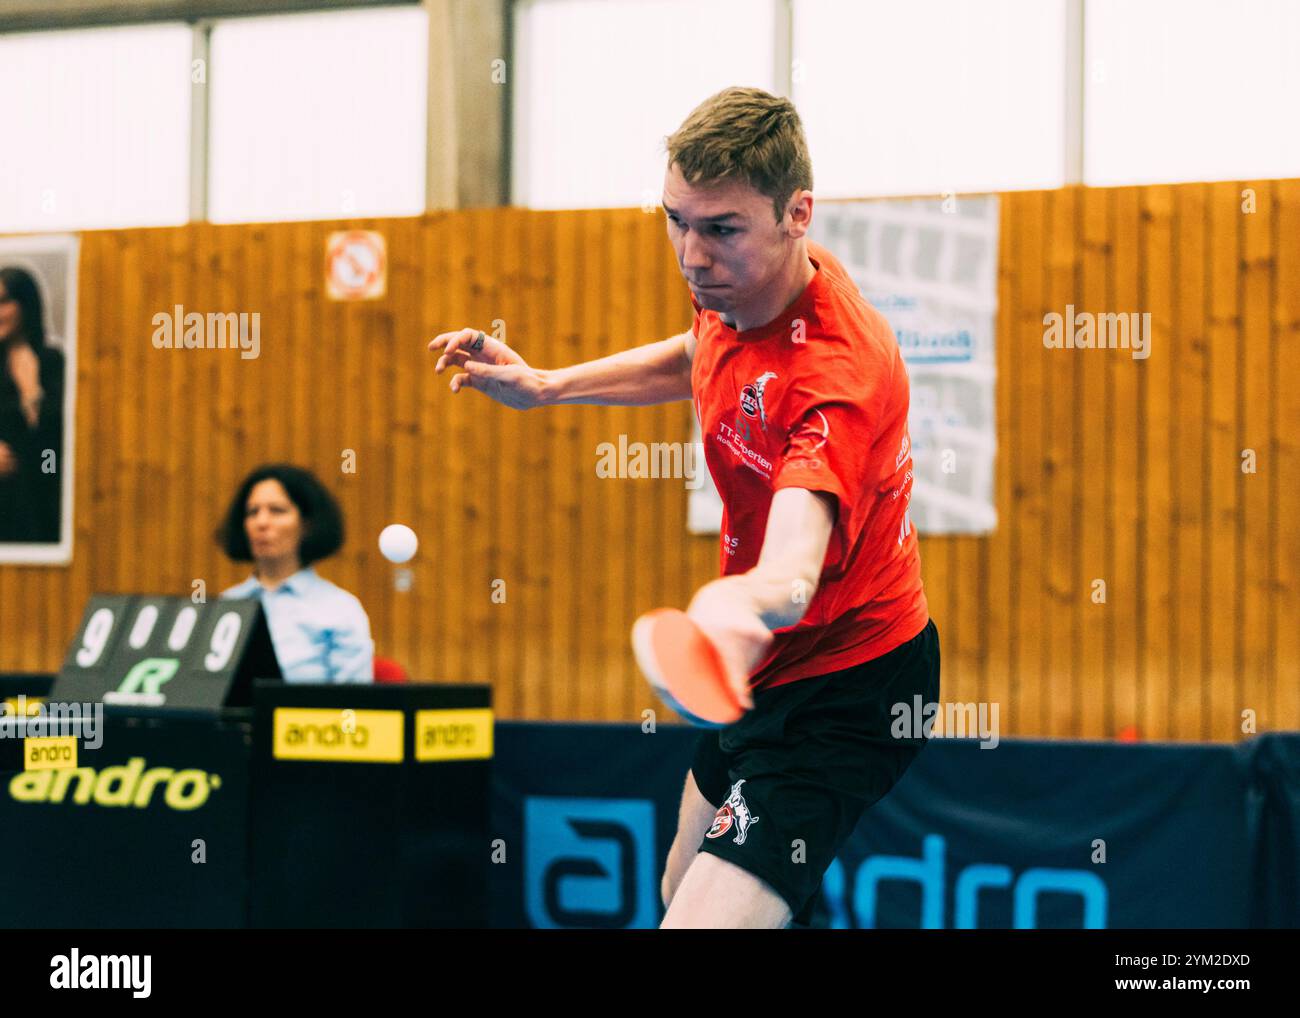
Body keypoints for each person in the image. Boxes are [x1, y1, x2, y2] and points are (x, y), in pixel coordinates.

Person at [429, 86, 939, 929]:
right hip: (763, 669)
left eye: (720, 229)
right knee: (681, 885)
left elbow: (794, 568)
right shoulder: (741, 288)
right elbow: (699, 352)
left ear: (797, 212)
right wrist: (547, 386)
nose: (692, 257)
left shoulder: (838, 375)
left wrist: (739, 600)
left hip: (850, 684)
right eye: (676, 221)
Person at [216, 463, 374, 683]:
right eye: (253, 512)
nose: (261, 522)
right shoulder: (227, 605)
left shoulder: (340, 609)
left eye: (277, 510)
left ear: (307, 524)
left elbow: (355, 704)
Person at [0, 267, 65, 543]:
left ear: (25, 304)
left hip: (36, 500)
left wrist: (31, 392)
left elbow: (52, 448)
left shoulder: (51, 362)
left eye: (4, 302)